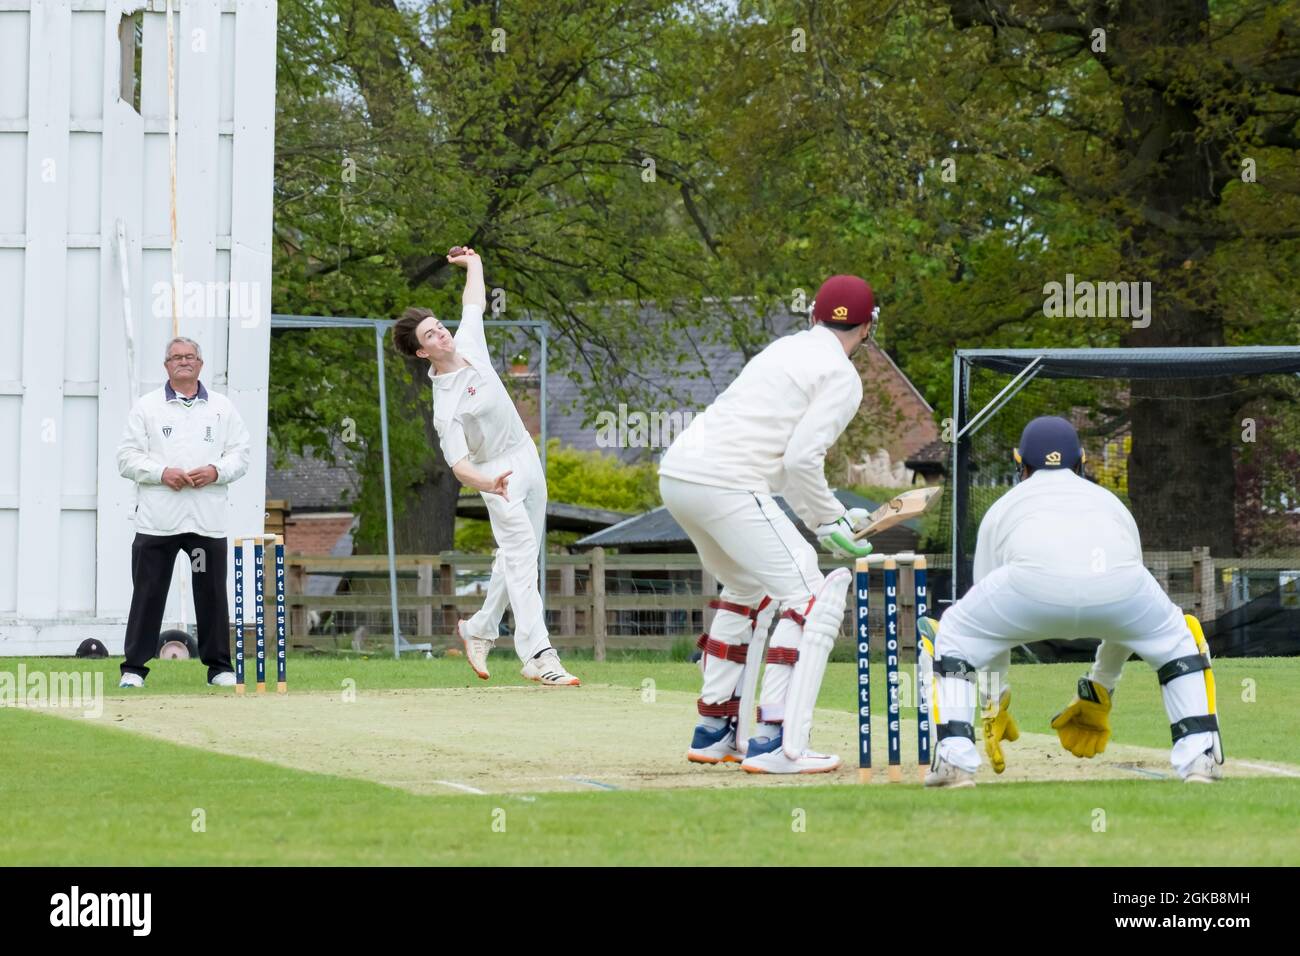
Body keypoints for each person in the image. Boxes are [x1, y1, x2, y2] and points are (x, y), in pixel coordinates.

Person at [921, 415, 1223, 787]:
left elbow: (986, 631)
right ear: (1081, 461)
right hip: (1120, 589)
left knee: (952, 634)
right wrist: (1101, 688)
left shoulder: (1003, 508)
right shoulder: (1112, 504)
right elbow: (1127, 618)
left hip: (1029, 589)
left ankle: (953, 757)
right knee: (1180, 643)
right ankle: (1200, 759)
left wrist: (993, 699)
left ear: (1020, 463)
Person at [658, 275, 878, 774]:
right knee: (808, 594)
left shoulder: (784, 350)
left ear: (813, 316)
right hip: (727, 483)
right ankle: (776, 742)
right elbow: (801, 460)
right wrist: (825, 523)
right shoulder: (842, 376)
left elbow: (781, 460)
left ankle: (715, 731)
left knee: (746, 586)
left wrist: (833, 515)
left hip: (678, 475)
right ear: (868, 328)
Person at [392, 247, 578, 686]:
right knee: (520, 563)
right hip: (496, 476)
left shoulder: (469, 343)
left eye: (439, 327)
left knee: (520, 555)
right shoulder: (446, 405)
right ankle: (538, 654)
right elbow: (458, 466)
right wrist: (488, 482)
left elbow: (472, 302)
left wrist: (472, 263)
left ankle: (479, 627)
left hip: (525, 455)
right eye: (432, 336)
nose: (442, 335)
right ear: (423, 353)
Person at [116, 337, 251, 688]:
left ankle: (219, 668)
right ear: (166, 366)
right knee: (148, 593)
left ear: (200, 364)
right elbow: (127, 458)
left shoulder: (222, 408)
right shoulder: (147, 407)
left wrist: (215, 471)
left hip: (205, 522)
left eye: (190, 357)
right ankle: (133, 669)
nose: (184, 362)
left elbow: (241, 454)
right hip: (158, 521)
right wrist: (163, 473)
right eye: (176, 357)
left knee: (210, 594)